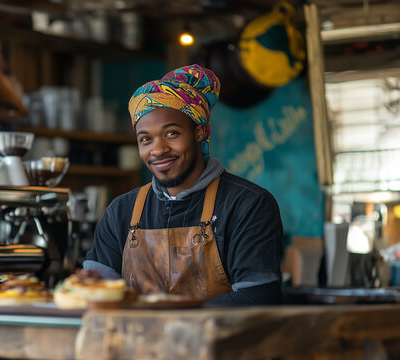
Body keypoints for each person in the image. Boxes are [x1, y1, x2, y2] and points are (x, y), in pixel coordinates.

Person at [84, 64, 283, 306]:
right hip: (137, 342)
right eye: (146, 139)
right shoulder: (120, 212)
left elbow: (257, 298)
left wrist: (162, 319)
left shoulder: (247, 205)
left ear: (199, 132)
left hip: (217, 342)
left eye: (171, 134)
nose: (158, 150)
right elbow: (94, 293)